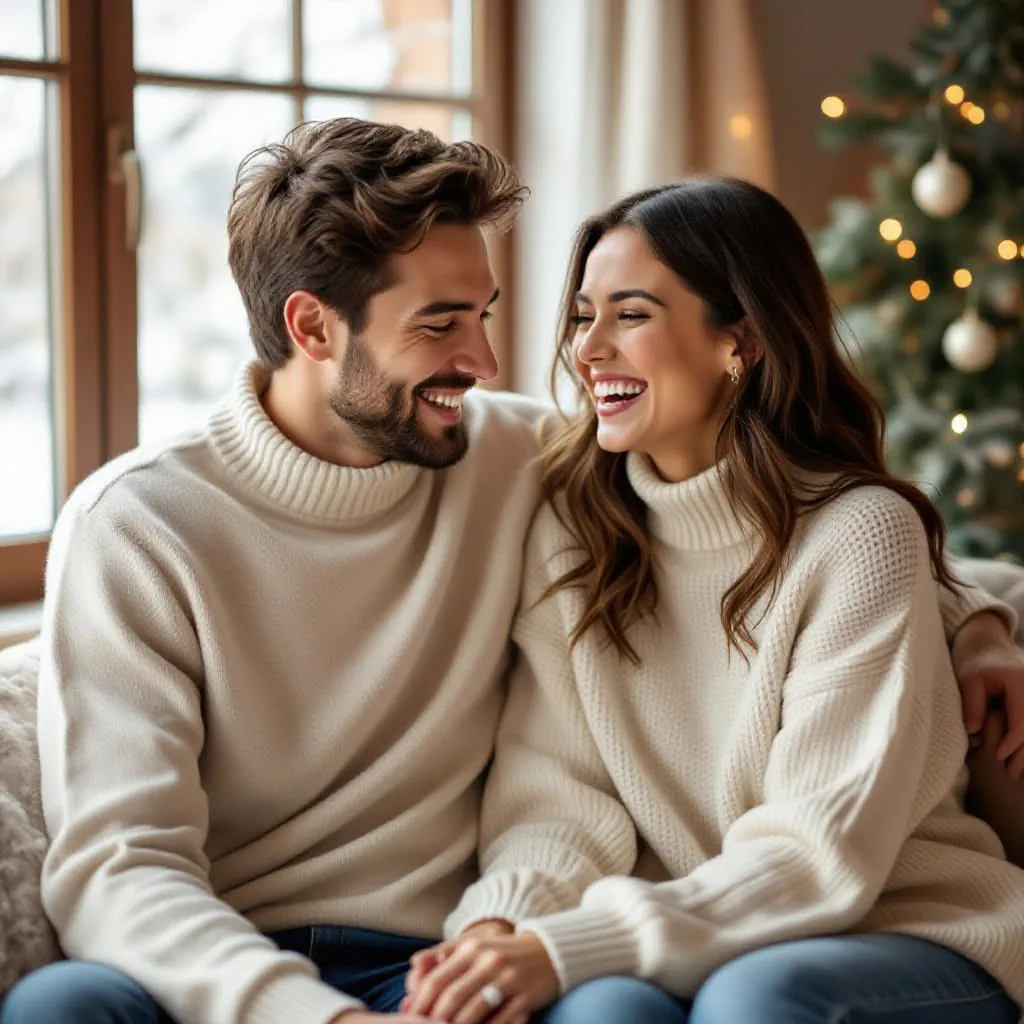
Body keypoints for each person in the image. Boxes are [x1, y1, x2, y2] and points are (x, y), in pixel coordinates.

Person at [2, 125, 1021, 1024]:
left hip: (441, 951)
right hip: (227, 968)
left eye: (486, 314)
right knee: (58, 1007)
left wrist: (973, 619)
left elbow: (827, 530)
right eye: (440, 323)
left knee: (628, 1008)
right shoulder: (139, 524)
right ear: (312, 328)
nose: (488, 364)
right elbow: (120, 864)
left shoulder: (520, 461)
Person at [402, 178, 1024, 1024]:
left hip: (905, 925)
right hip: (692, 930)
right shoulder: (575, 527)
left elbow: (816, 852)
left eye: (630, 314)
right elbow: (559, 799)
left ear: (742, 339)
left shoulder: (860, 535)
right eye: (583, 317)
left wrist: (980, 623)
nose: (589, 350)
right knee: (599, 1014)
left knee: (754, 1000)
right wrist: (501, 930)